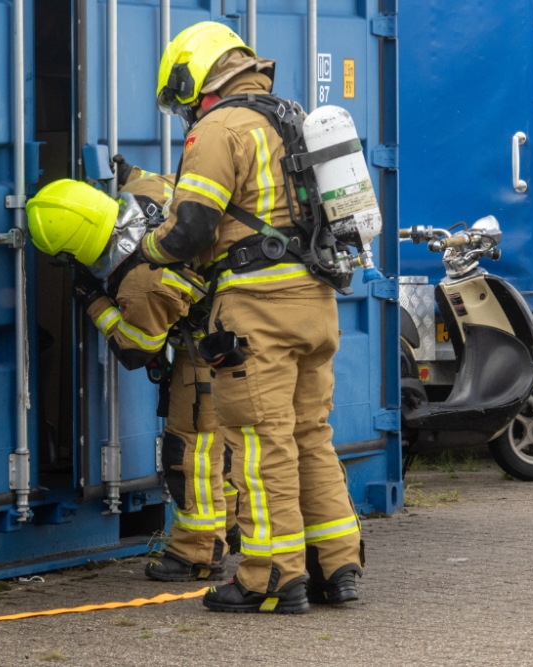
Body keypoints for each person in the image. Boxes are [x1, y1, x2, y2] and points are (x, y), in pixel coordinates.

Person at [145, 21, 363, 614]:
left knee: (260, 444)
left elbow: (191, 229)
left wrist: (149, 249)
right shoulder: (292, 118)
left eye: (182, 100)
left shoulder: (219, 128)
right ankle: (336, 565)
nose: (185, 112)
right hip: (316, 303)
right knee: (310, 434)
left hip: (257, 311)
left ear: (194, 79)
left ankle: (270, 578)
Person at [26, 174, 234, 582]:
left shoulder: (139, 281)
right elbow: (152, 177)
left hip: (208, 352)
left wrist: (94, 301)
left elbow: (138, 349)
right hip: (239, 330)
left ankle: (198, 553)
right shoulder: (145, 193)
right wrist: (122, 170)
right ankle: (232, 528)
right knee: (223, 446)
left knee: (188, 453)